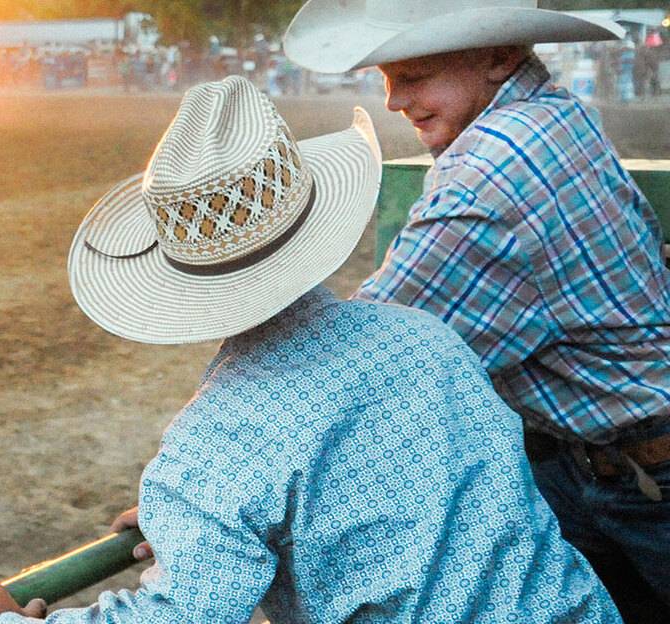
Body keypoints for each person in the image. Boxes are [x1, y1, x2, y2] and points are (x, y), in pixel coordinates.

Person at [0, 77, 617, 624]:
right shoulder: (425, 339)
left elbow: (184, 615)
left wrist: (0, 619)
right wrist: (201, 513)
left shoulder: (218, 440)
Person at [282, 1, 670, 616]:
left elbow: (360, 364)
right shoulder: (551, 114)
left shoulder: (486, 176)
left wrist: (223, 467)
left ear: (499, 54)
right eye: (386, 78)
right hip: (615, 453)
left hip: (638, 483)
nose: (393, 101)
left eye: (412, 75)